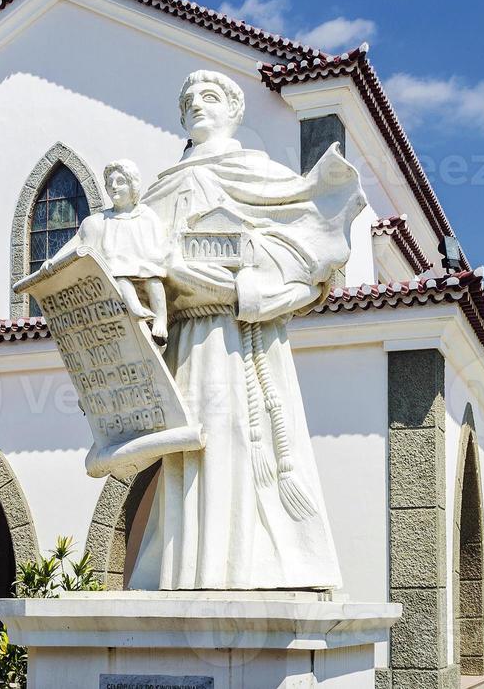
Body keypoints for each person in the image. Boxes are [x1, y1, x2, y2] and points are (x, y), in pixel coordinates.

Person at [128, 69, 366, 592]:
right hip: (184, 341)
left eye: (209, 96)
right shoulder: (160, 189)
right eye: (187, 98)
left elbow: (309, 258)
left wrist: (247, 292)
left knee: (238, 439)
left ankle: (244, 564)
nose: (196, 104)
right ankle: (186, 568)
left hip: (240, 341)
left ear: (235, 110)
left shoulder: (259, 174)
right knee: (188, 450)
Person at [64, 159, 170, 342]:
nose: (113, 187)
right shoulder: (101, 219)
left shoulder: (146, 214)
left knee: (153, 280)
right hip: (118, 267)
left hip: (146, 263)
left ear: (133, 184)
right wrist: (51, 261)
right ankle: (135, 308)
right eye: (109, 183)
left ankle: (161, 320)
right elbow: (77, 242)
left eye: (120, 182)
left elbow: (160, 238)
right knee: (118, 276)